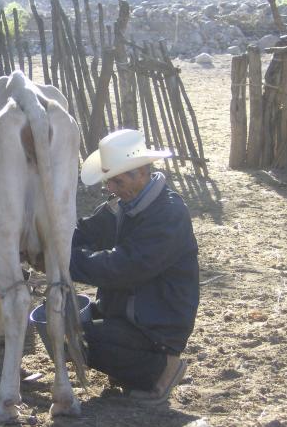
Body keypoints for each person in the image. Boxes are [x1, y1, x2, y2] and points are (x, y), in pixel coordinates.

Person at [70, 129, 199, 404]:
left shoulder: (168, 215)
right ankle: (136, 369)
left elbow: (123, 267)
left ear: (141, 172)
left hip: (156, 328)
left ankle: (162, 368)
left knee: (81, 340)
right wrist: (47, 243)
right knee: (66, 321)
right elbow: (83, 232)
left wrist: (65, 261)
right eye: (109, 182)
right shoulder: (123, 206)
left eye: (117, 181)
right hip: (130, 314)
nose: (111, 189)